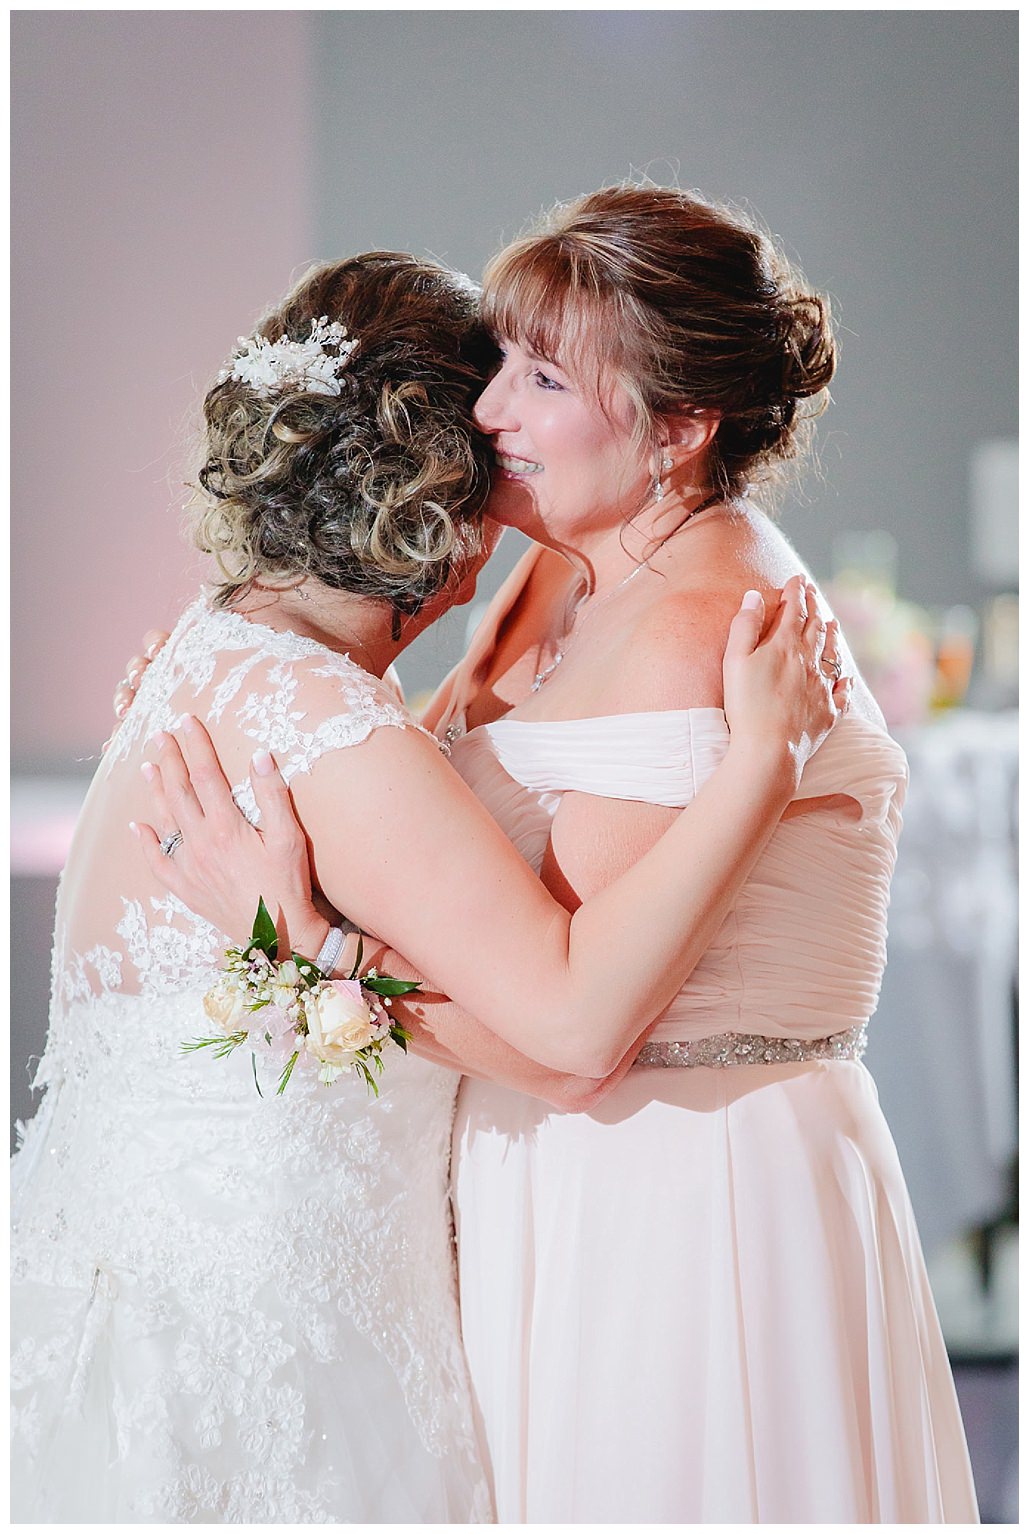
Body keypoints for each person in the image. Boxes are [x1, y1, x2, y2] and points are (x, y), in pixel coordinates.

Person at [136, 186, 979, 1522]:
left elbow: (580, 1029)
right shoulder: (562, 570)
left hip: (684, 1185)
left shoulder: (697, 626)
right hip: (557, 1166)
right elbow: (411, 814)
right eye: (505, 365)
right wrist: (252, 702)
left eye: (540, 377)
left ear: (682, 428)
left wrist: (303, 947)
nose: (489, 413)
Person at [12, 252, 839, 1522]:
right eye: (495, 413)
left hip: (117, 1292)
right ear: (437, 499)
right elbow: (567, 1041)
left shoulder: (219, 642)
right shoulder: (330, 730)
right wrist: (759, 769)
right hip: (284, 1328)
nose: (515, 431)